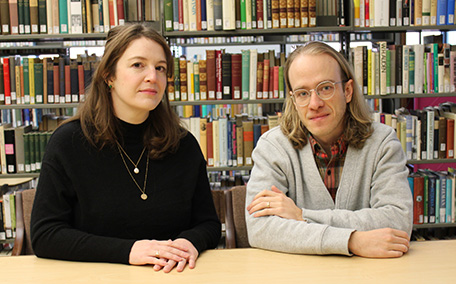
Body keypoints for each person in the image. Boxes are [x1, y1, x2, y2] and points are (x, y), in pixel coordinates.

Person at [31, 23, 221, 272]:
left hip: (172, 276)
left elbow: (208, 223)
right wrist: (128, 250)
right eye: (138, 65)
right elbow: (45, 235)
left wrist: (189, 243)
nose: (152, 76)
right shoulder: (69, 142)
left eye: (160, 68)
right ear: (109, 75)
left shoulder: (183, 144)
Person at [245, 41, 413, 258]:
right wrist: (351, 241)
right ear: (294, 101)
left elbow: (397, 221)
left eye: (325, 88)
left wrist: (301, 215)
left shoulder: (382, 143)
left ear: (348, 90)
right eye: (303, 93)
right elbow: (260, 229)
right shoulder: (273, 147)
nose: (314, 104)